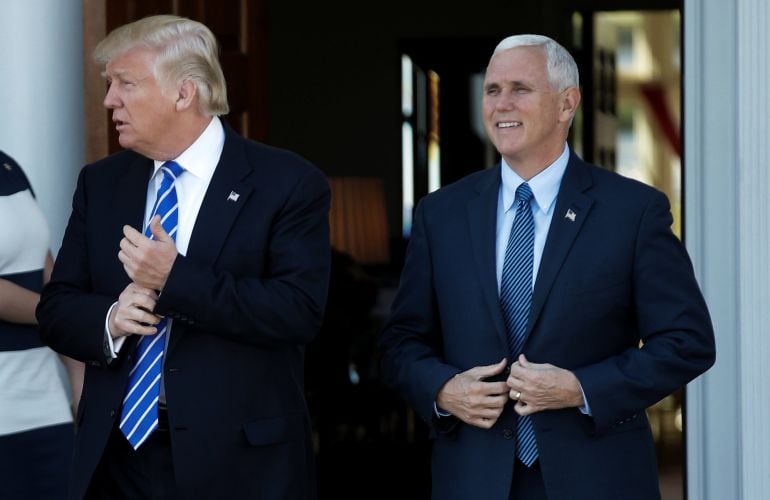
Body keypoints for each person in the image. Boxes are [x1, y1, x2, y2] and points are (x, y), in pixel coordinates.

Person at [378, 34, 715, 500]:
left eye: (520, 88)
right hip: (473, 479)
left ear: (566, 103)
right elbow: (401, 343)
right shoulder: (441, 214)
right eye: (492, 90)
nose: (502, 104)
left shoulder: (632, 211)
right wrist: (442, 390)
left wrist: (581, 388)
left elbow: (688, 342)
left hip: (597, 478)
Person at [37, 15, 330, 500]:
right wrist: (110, 318)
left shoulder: (288, 182)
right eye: (110, 85)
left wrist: (175, 279)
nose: (111, 100)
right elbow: (56, 309)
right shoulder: (102, 182)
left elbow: (296, 312)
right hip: (115, 460)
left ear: (184, 92)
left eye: (126, 83)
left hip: (238, 465)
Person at [0, 150, 84, 499]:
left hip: (45, 405)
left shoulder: (8, 166)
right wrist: (58, 314)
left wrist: (80, 379)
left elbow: (47, 272)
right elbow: (52, 307)